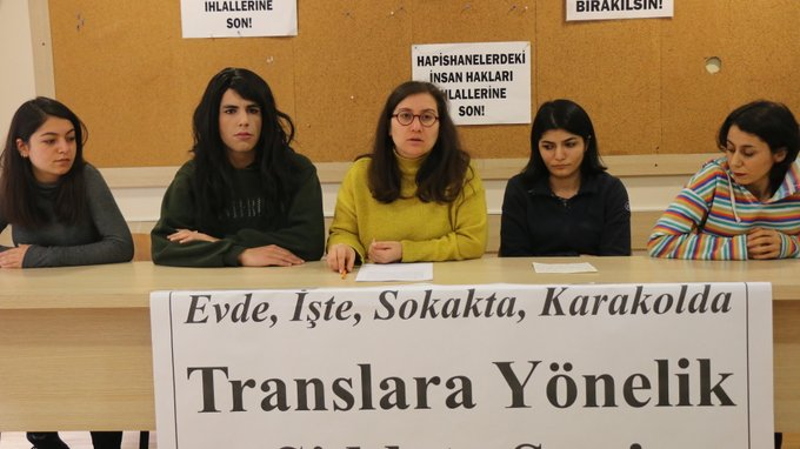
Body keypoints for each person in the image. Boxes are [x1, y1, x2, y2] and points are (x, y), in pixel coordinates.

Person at [0, 97, 132, 448]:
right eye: (51, 140)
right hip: (36, 310)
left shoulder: (86, 178)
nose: (65, 149)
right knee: (33, 376)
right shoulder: (11, 184)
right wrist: (10, 258)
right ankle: (43, 437)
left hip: (95, 305)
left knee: (102, 389)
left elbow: (121, 246)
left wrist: (38, 258)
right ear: (23, 147)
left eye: (71, 138)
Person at [151, 67, 324, 266]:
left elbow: (310, 243)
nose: (244, 121)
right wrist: (239, 254)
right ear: (213, 119)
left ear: (265, 118)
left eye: (253, 110)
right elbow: (163, 247)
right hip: (215, 284)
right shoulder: (193, 175)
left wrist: (217, 242)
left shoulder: (297, 170)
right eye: (230, 111)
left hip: (285, 280)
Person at [326, 81, 487, 273]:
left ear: (440, 127)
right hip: (374, 283)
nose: (416, 127)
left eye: (427, 117)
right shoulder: (361, 173)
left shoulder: (460, 172)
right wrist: (345, 248)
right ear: (388, 126)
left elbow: (473, 241)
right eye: (405, 116)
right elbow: (343, 232)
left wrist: (406, 251)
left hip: (444, 282)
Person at [648, 100, 800, 260]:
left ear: (780, 154)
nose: (734, 162)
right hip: (718, 275)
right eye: (730, 149)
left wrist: (790, 246)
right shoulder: (713, 177)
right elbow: (660, 242)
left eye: (748, 153)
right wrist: (741, 247)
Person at [499, 99, 631, 257]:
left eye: (570, 145)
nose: (559, 156)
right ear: (537, 147)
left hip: (597, 274)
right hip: (533, 274)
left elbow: (617, 259)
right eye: (548, 147)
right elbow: (513, 258)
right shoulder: (519, 189)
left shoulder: (610, 190)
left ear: (586, 144)